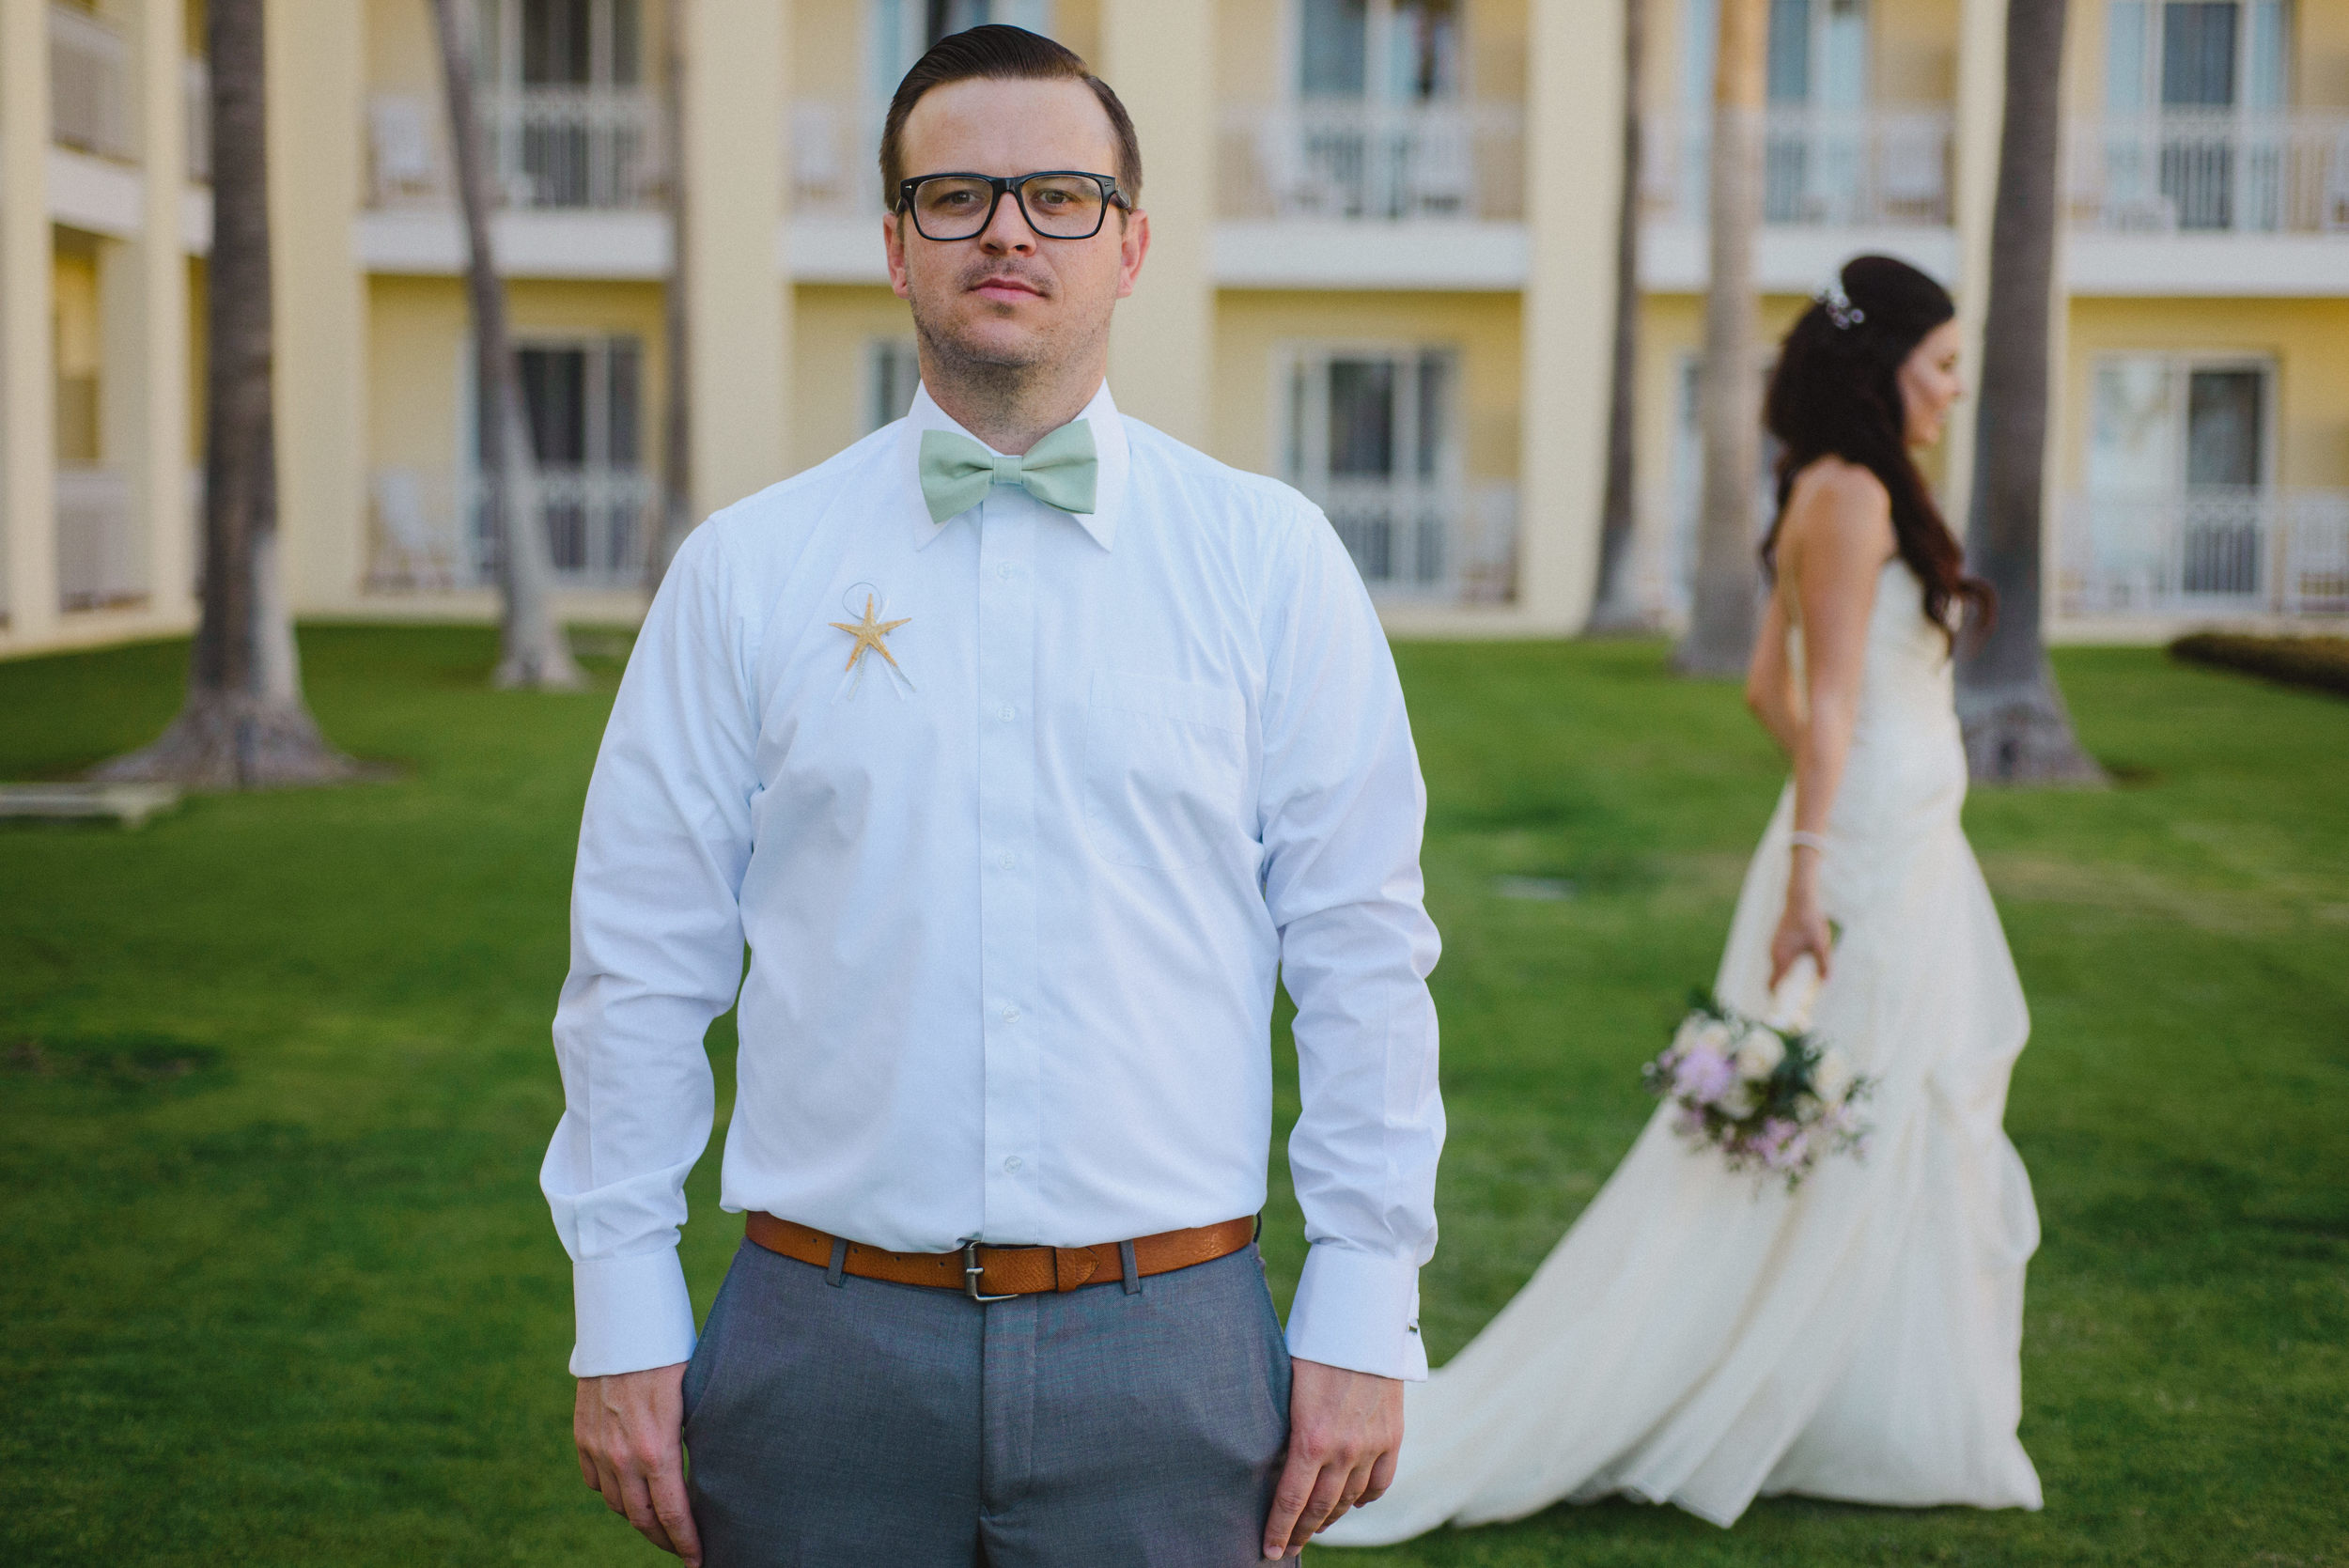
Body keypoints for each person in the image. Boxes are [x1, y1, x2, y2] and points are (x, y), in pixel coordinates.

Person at [540, 25, 1444, 1568]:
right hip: (817, 1353)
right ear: (895, 246)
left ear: (1132, 243)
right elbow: (639, 962)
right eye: (955, 195)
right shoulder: (749, 570)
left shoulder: (1270, 559)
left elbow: (1361, 957)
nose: (1010, 229)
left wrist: (1365, 1306)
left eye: (1061, 195)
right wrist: (621, 1311)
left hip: (1174, 1354)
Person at [1321, 254, 2044, 1544]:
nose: (1955, 390)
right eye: (1941, 367)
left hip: (1899, 832)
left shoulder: (1838, 488)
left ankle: (1852, 1399)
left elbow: (1774, 686)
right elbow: (1814, 704)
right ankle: (1706, 1387)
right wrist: (1819, 856)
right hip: (1865, 852)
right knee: (1834, 1115)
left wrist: (1862, 785)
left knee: (1889, 1114)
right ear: (1884, 371)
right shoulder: (1854, 493)